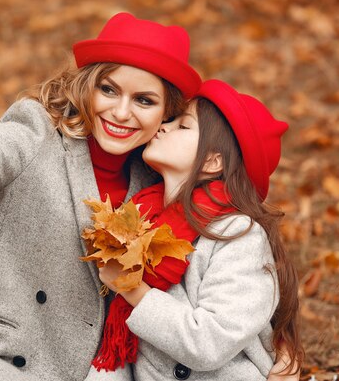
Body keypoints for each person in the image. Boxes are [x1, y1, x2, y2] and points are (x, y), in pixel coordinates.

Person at [0, 11, 297, 380]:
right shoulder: (34, 136)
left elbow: (217, 290)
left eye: (144, 101)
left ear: (165, 113)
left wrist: (270, 349)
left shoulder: (158, 184)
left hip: (86, 370)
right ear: (88, 86)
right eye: (109, 89)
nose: (121, 113)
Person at [86, 79, 303, 380]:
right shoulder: (139, 214)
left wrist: (133, 288)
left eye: (182, 126)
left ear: (213, 161)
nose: (163, 126)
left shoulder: (237, 234)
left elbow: (210, 343)